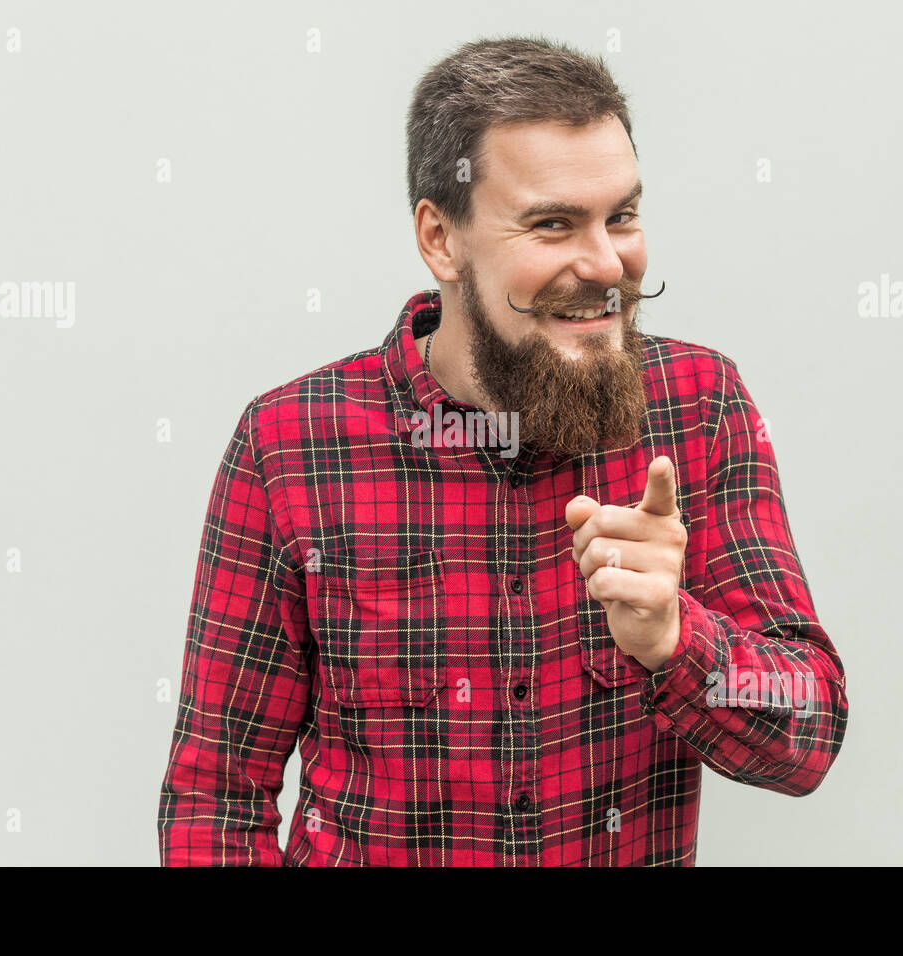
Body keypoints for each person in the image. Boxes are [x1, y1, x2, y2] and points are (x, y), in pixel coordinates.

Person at [157, 35, 847, 866]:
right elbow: (215, 799)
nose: (605, 264)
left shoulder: (698, 408)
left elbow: (806, 737)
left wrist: (674, 639)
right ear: (441, 239)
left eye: (620, 215)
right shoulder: (289, 445)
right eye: (552, 224)